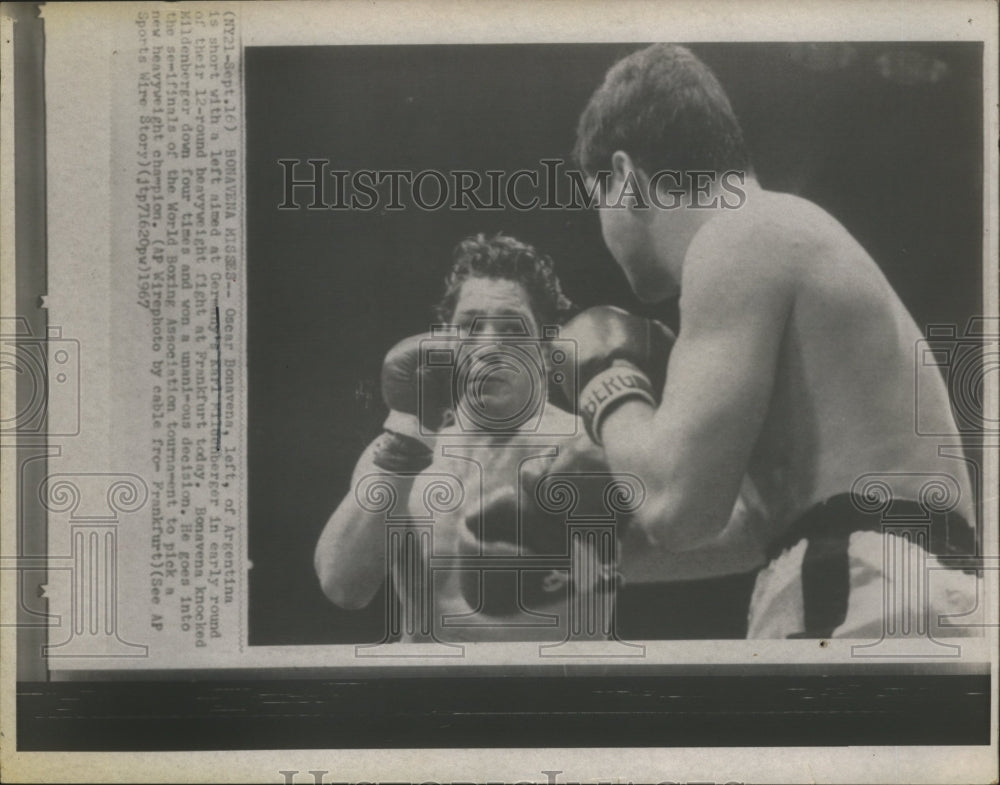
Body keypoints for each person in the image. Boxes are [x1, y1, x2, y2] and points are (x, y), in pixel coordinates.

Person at [563, 44, 978, 639]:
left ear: (626, 177)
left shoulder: (734, 237)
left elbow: (677, 510)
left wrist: (608, 384)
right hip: (907, 584)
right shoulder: (780, 231)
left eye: (595, 201)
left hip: (861, 583)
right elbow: (743, 527)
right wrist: (588, 558)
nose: (602, 229)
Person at [314, 232, 766, 643]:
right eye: (471, 326)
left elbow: (746, 540)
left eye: (512, 328)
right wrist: (409, 439)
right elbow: (342, 585)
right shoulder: (402, 450)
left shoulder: (597, 445)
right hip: (437, 709)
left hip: (562, 704)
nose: (490, 345)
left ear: (546, 349)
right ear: (444, 341)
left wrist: (590, 557)